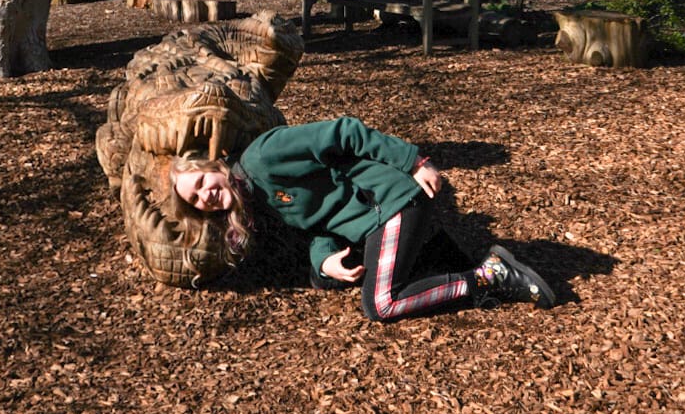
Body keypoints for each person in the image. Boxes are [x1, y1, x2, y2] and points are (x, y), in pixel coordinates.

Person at [170, 115, 555, 319]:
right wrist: (324, 260)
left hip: (389, 200)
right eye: (195, 199)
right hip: (373, 218)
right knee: (340, 281)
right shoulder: (252, 201)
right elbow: (317, 224)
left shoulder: (262, 157)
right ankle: (458, 261)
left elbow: (342, 132)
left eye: (202, 180)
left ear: (216, 165)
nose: (205, 194)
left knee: (382, 303)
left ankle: (490, 277)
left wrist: (413, 160)